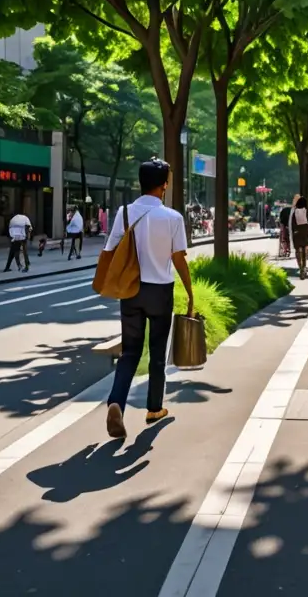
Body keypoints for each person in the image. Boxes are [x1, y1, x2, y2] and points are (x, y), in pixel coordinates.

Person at [104, 158, 193, 439]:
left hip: (130, 289)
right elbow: (178, 259)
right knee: (156, 352)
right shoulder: (173, 218)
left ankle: (116, 402)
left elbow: (110, 249)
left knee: (130, 351)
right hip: (160, 291)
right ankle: (154, 408)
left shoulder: (125, 213)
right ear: (164, 185)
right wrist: (190, 293)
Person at [291, 196, 308, 280]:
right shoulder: (307, 211)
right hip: (305, 232)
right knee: (304, 248)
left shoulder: (294, 212)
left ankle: (300, 267)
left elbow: (292, 223)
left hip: (296, 232)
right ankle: (304, 266)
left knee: (297, 250)